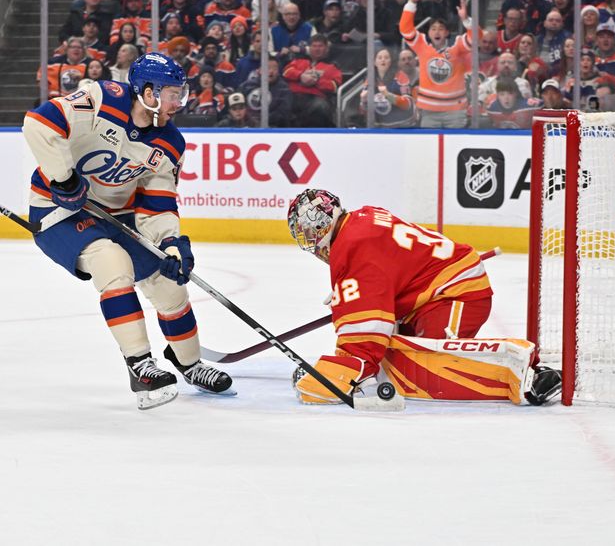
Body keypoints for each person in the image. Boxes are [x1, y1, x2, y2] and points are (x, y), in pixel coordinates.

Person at [21, 53, 235, 410]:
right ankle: (140, 364)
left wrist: (170, 242)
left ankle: (190, 362)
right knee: (111, 261)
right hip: (57, 212)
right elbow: (39, 123)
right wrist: (64, 178)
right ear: (148, 93)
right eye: (172, 94)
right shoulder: (101, 98)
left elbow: (156, 204)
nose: (178, 102)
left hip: (118, 215)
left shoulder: (170, 143)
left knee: (169, 285)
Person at [286, 189, 562, 405]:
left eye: (308, 233)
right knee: (396, 357)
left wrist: (341, 372)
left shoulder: (354, 248)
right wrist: (356, 290)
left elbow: (365, 339)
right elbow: (392, 265)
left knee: (427, 373)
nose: (310, 244)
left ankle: (530, 377)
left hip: (456, 293)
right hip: (430, 294)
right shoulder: (362, 219)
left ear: (322, 226)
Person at [399, 0, 476, 128]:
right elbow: (405, 29)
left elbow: (476, 38)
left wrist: (466, 20)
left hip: (455, 111)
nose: (437, 31)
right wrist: (412, 2)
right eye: (433, 29)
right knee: (429, 148)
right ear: (428, 33)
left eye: (441, 28)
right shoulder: (422, 46)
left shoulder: (457, 47)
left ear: (446, 33)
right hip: (429, 111)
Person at [283, 34, 343, 127]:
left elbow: (334, 86)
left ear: (326, 49)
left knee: (319, 107)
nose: (317, 49)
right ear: (309, 48)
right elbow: (286, 72)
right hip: (293, 96)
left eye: (320, 46)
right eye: (314, 46)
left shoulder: (333, 67)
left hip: (316, 99)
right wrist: (301, 76)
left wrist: (316, 81)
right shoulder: (299, 61)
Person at [359, 48, 417, 128]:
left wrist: (388, 95)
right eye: (379, 58)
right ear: (375, 62)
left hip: (403, 126)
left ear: (390, 62)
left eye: (386, 58)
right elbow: (364, 112)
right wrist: (363, 102)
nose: (383, 60)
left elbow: (408, 104)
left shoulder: (401, 76)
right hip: (379, 127)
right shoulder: (370, 79)